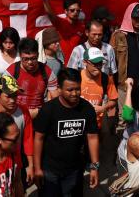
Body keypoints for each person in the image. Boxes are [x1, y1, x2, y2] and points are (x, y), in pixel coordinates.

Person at [33, 68, 100, 196]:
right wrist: (37, 168)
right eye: (70, 90)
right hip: (50, 171)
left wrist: (94, 167)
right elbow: (38, 138)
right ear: (59, 88)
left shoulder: (87, 109)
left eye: (77, 89)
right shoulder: (48, 109)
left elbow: (92, 138)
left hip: (75, 170)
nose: (74, 93)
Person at [111, 3, 139, 103]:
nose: (138, 21)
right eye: (135, 18)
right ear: (129, 17)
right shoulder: (118, 36)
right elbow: (112, 62)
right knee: (126, 112)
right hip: (124, 86)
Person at [6, 38, 58, 118]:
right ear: (20, 56)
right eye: (26, 59)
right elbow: (4, 97)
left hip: (39, 114)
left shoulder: (47, 71)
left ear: (38, 55)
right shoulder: (11, 72)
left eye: (33, 58)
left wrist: (43, 111)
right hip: (16, 115)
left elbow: (56, 97)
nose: (30, 62)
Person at [39, 0, 85, 66]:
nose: (75, 12)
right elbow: (50, 14)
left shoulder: (82, 27)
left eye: (78, 10)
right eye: (72, 10)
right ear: (66, 11)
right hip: (62, 65)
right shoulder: (60, 23)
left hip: (77, 64)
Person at [79, 47, 119, 129]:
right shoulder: (77, 78)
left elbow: (114, 100)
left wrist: (103, 108)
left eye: (100, 63)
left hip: (97, 125)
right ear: (85, 62)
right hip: (78, 124)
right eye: (94, 63)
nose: (98, 67)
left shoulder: (106, 79)